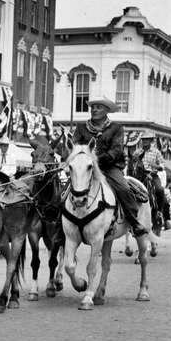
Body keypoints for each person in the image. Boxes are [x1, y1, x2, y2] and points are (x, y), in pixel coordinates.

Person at [72, 96, 147, 237]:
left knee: (123, 189)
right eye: (93, 107)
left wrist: (97, 160)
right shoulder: (81, 128)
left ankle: (134, 222)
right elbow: (75, 146)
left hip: (110, 167)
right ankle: (59, 222)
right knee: (65, 187)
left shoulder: (116, 128)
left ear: (106, 110)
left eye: (98, 107)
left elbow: (116, 150)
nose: (94, 109)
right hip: (85, 167)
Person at [136, 133, 171, 229]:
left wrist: (155, 166)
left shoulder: (156, 152)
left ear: (151, 141)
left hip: (152, 175)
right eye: (143, 140)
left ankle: (160, 213)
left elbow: (163, 166)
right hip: (139, 176)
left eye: (147, 139)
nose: (145, 141)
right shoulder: (137, 152)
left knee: (160, 190)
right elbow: (133, 164)